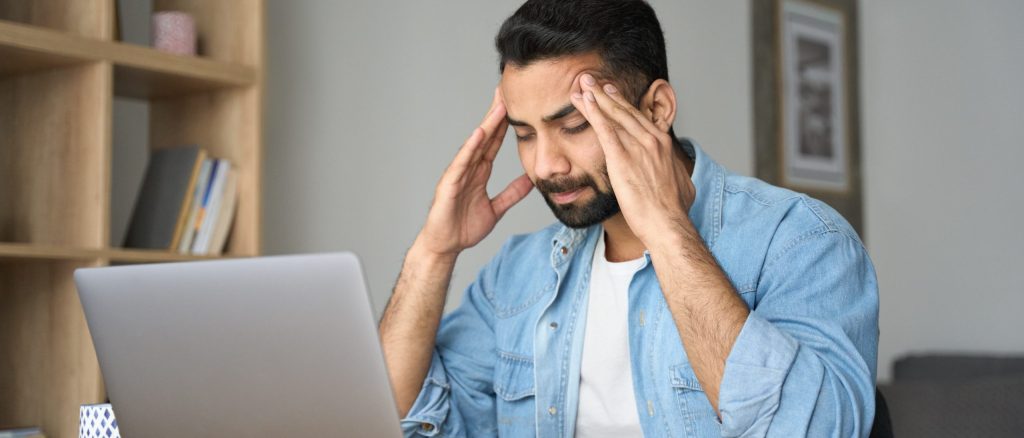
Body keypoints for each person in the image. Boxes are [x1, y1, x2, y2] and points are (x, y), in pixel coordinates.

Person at [378, 1, 879, 436]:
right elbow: (400, 421)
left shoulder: (802, 241)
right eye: (525, 135)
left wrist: (664, 228)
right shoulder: (515, 276)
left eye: (574, 125)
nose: (545, 164)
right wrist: (433, 252)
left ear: (657, 109)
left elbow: (811, 429)